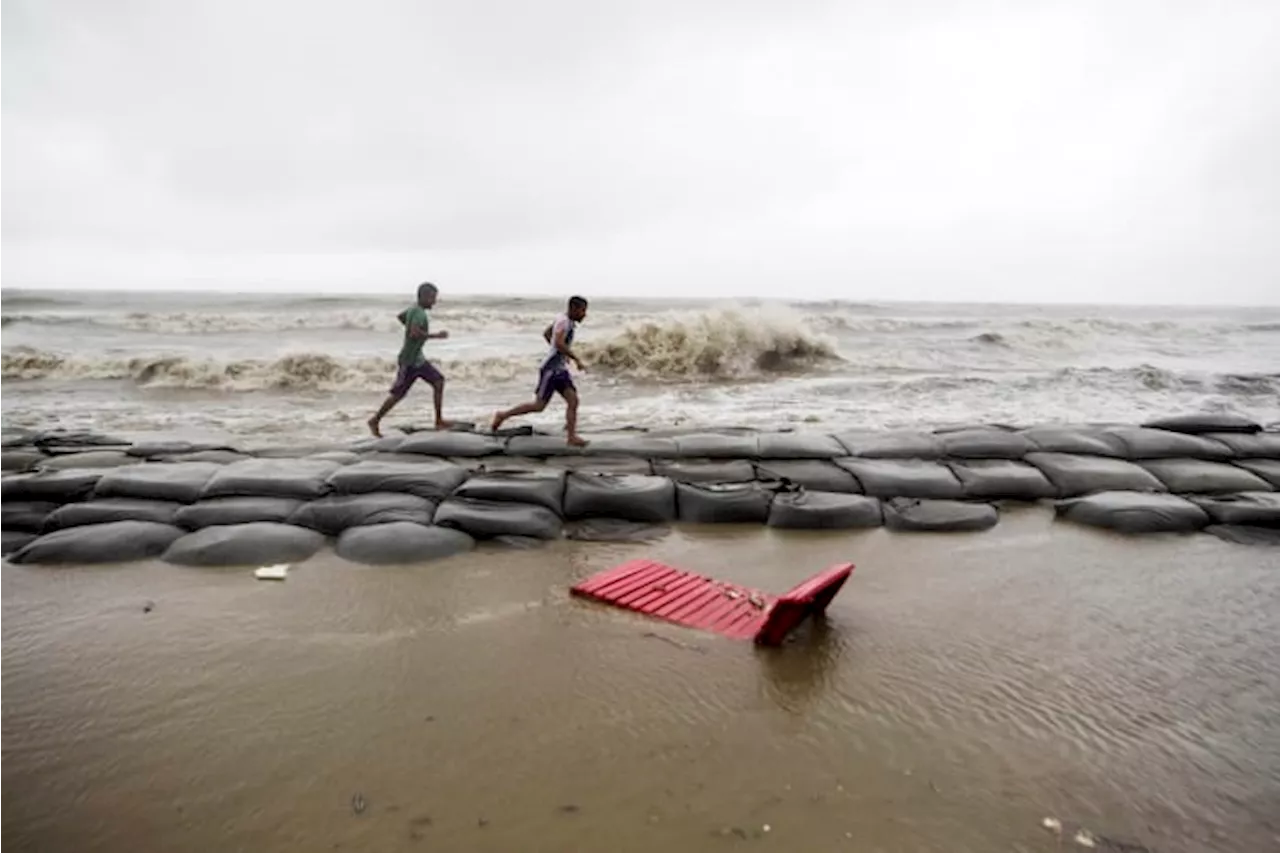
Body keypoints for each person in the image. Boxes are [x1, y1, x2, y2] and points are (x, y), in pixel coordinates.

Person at [491, 295, 589, 446]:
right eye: (582, 310)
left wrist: (561, 353)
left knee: (573, 400)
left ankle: (571, 436)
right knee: (538, 406)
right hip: (550, 370)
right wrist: (575, 358)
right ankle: (503, 415)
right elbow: (558, 342)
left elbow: (547, 333)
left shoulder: (563, 319)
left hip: (560, 370)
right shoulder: (564, 322)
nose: (584, 314)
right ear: (573, 309)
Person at [367, 282, 453, 437]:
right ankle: (375, 420)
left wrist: (409, 327)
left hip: (418, 359)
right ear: (425, 297)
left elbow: (401, 317)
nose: (434, 301)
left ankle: (439, 420)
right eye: (433, 298)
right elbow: (414, 333)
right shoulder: (419, 313)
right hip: (409, 361)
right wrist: (436, 336)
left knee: (439, 381)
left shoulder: (413, 309)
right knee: (398, 394)